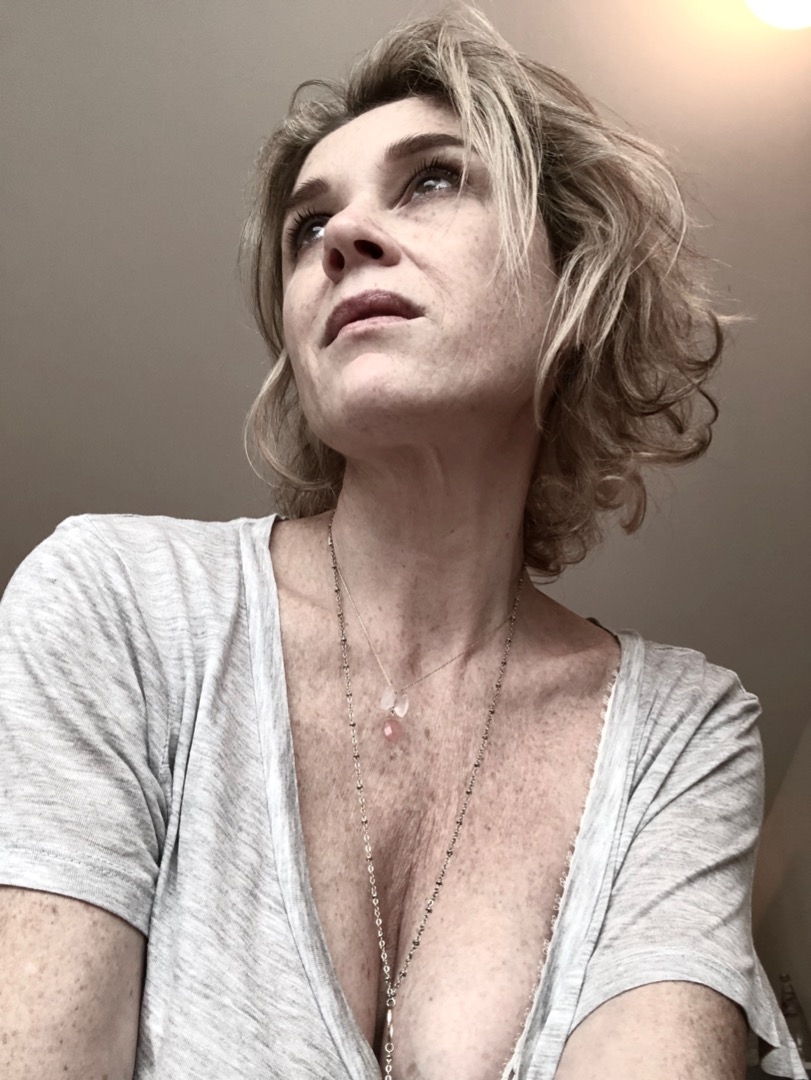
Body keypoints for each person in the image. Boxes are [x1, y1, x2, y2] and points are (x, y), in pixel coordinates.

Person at [0, 6, 805, 1079]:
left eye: (431, 179)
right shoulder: (116, 605)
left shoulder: (683, 733)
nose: (342, 236)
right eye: (306, 228)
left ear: (574, 276)